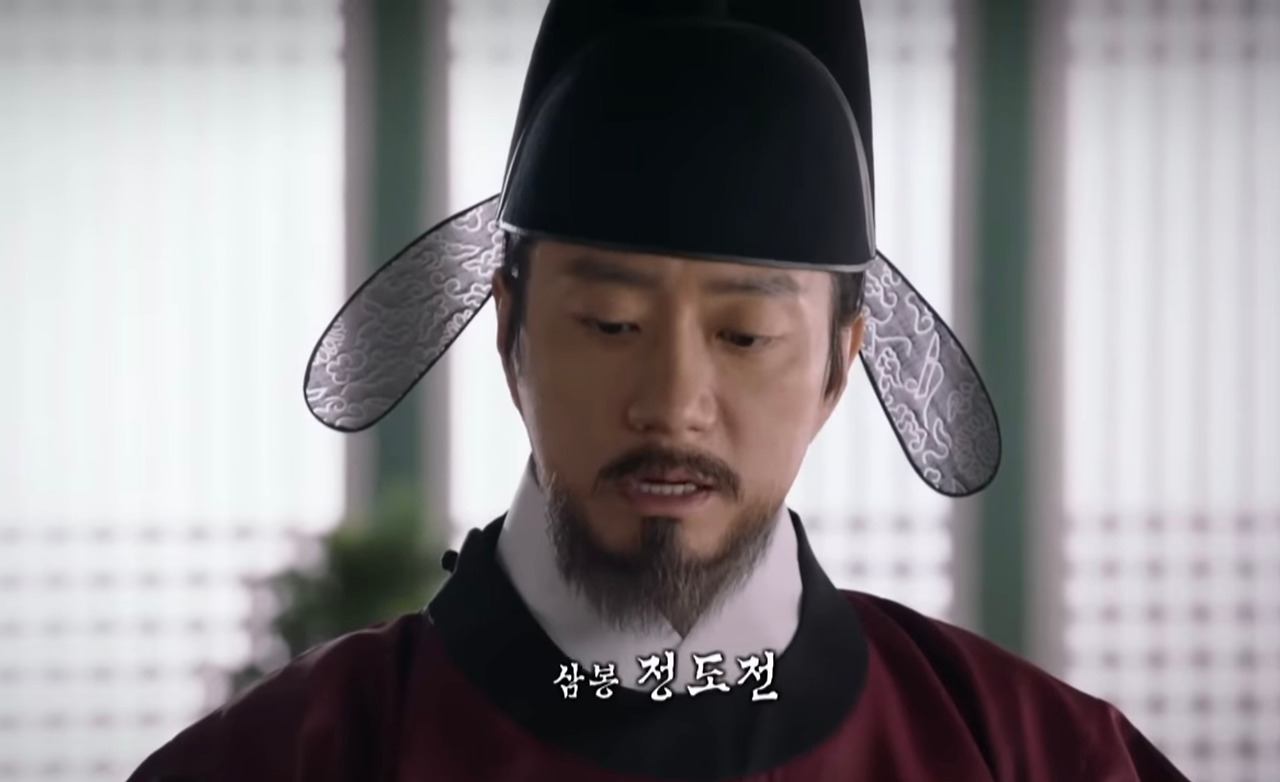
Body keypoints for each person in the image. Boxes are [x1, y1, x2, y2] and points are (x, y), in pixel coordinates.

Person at [129, 1, 1190, 780]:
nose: (674, 401)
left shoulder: (1031, 754)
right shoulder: (291, 759)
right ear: (509, 328)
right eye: (610, 323)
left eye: (744, 334)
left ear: (840, 360)